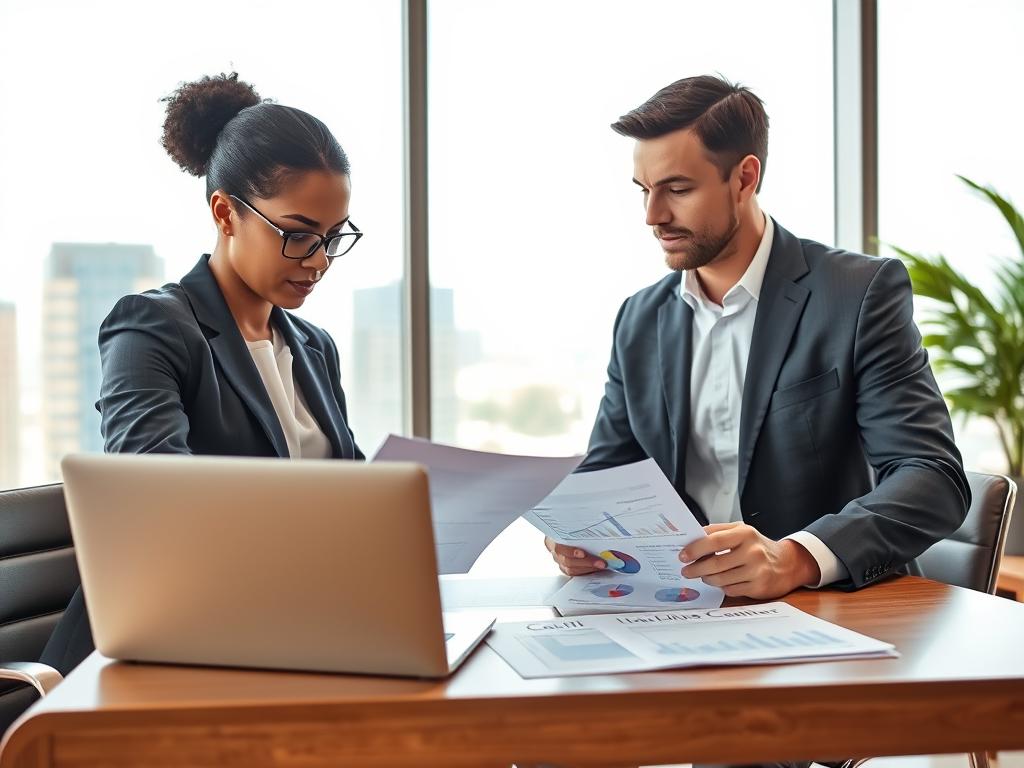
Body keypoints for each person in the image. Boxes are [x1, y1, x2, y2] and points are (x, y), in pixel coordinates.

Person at [545, 74, 970, 599]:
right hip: (680, 613)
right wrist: (577, 535)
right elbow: (609, 475)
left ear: (745, 178)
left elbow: (931, 477)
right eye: (645, 191)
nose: (653, 216)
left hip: (831, 611)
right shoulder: (639, 319)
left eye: (677, 189)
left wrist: (793, 558)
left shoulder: (857, 294)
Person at [41, 72, 364, 675]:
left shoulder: (314, 348)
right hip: (162, 653)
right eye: (297, 236)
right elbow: (156, 493)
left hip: (292, 632)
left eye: (332, 237)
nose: (319, 260)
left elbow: (359, 499)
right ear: (225, 212)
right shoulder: (152, 327)